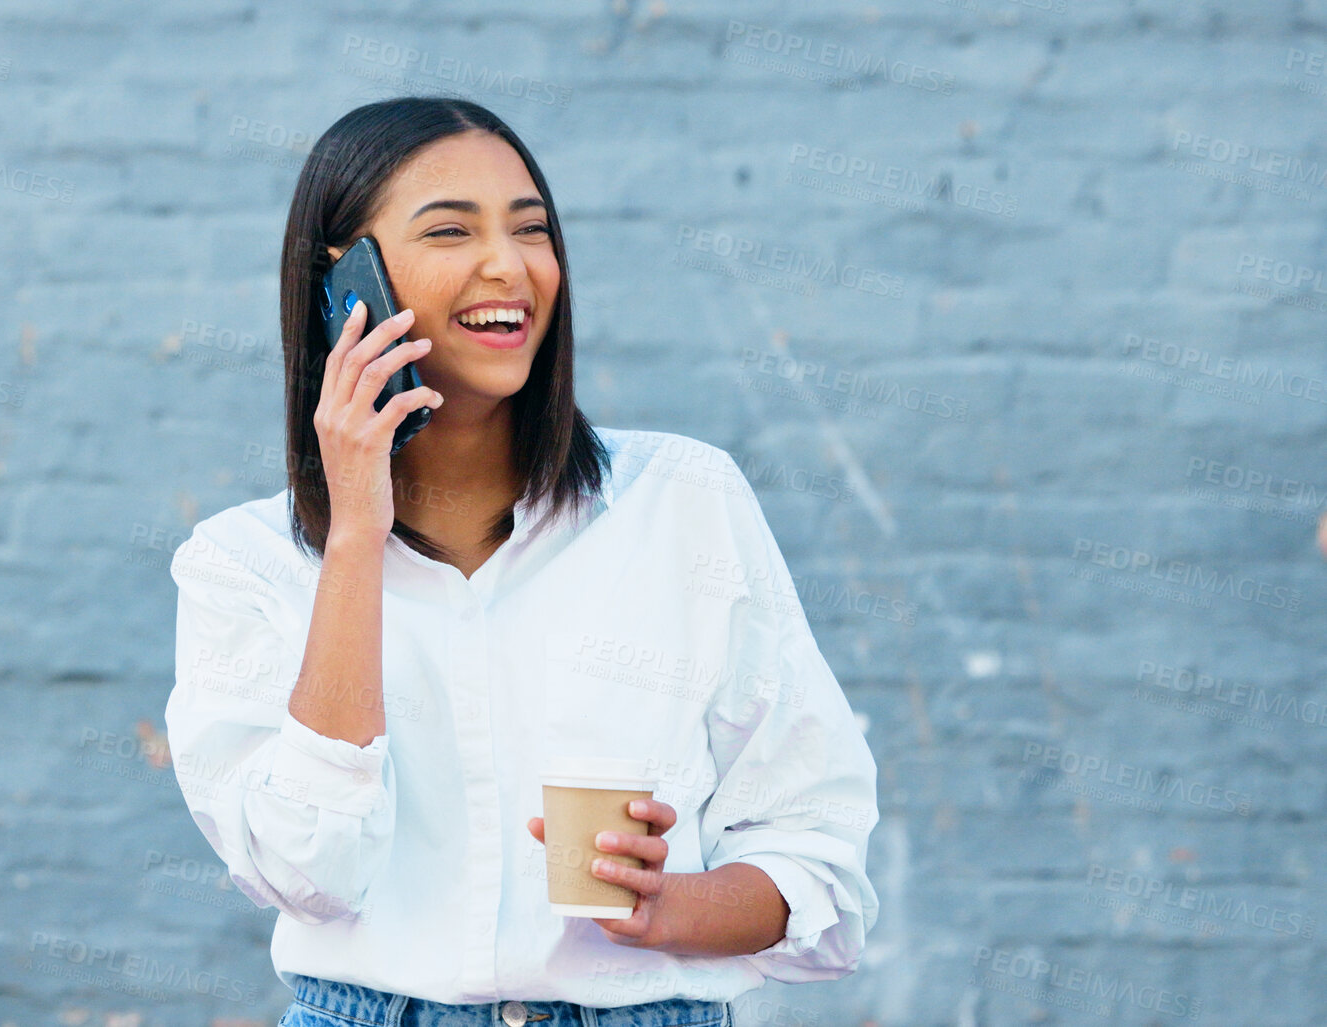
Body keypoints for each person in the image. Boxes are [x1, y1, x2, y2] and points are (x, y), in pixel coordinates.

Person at [165, 96, 878, 1027]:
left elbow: (819, 856)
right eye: (451, 229)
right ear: (348, 283)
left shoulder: (683, 502)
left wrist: (674, 907)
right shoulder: (242, 564)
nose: (510, 266)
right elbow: (310, 873)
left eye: (531, 229)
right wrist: (353, 536)